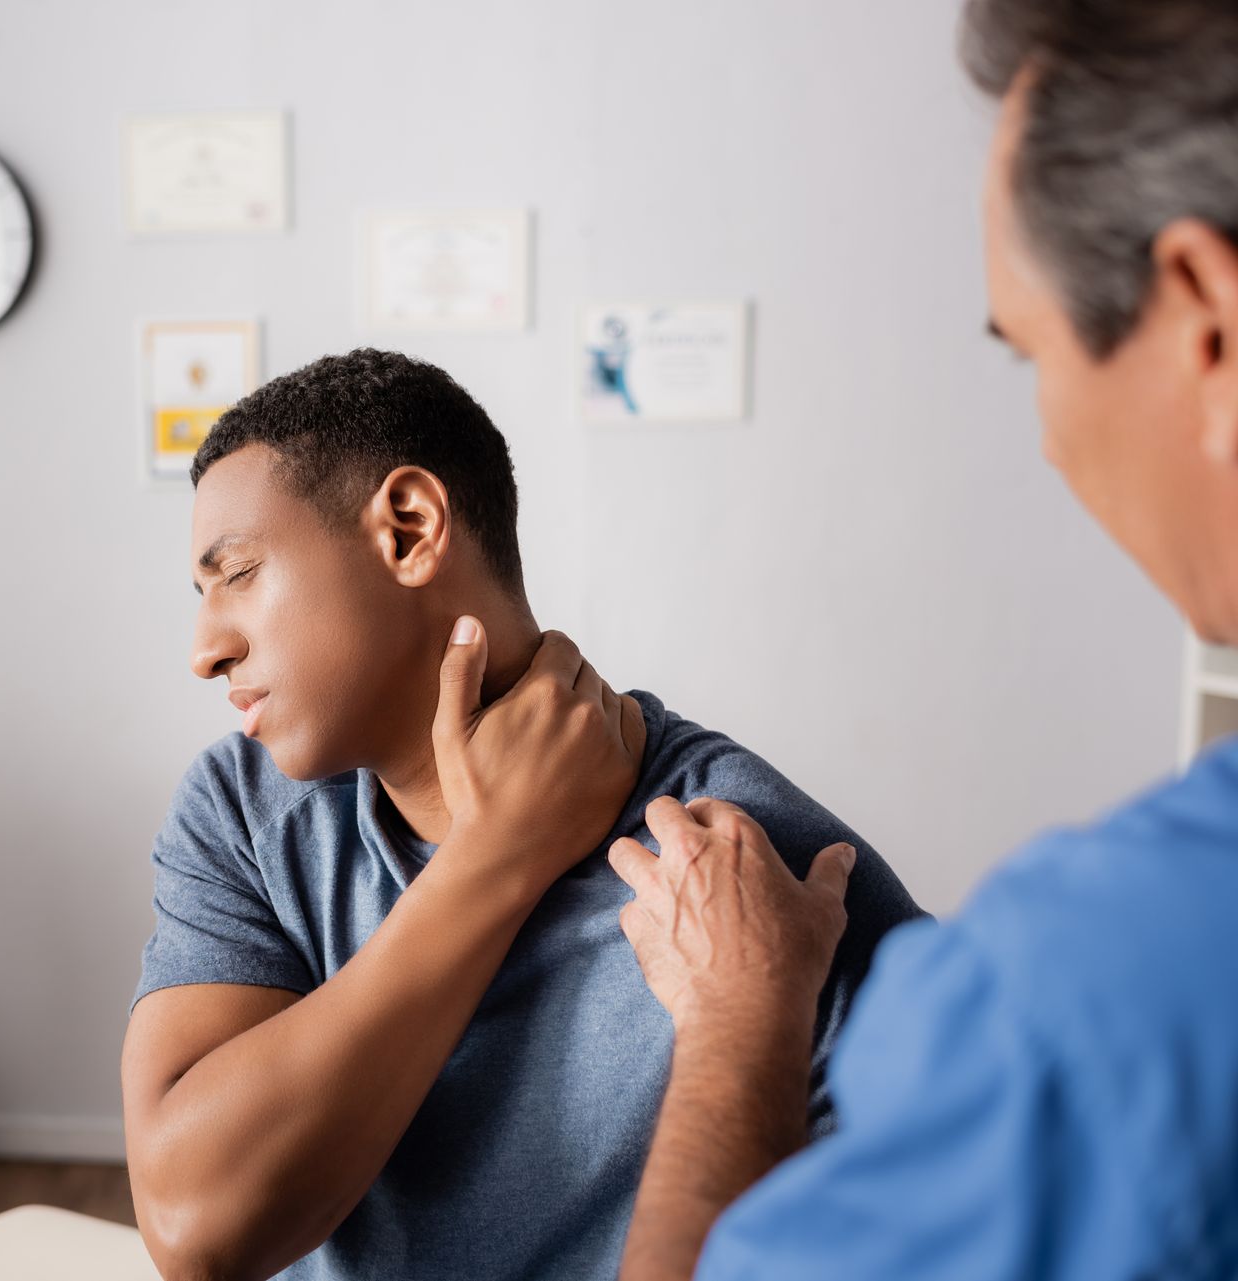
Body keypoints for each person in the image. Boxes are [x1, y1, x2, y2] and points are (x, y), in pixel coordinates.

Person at [606, 3, 1238, 1278]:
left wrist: (739, 1024)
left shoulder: (1085, 1004)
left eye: (1031, 355)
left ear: (1207, 321)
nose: (1054, 438)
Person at [119, 348, 924, 1281]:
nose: (204, 649)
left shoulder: (747, 868)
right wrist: (492, 859)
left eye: (241, 573)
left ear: (410, 530)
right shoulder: (241, 811)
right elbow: (194, 1229)